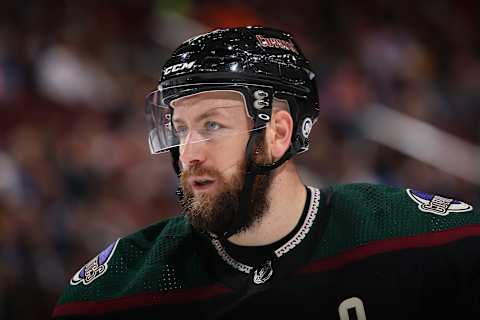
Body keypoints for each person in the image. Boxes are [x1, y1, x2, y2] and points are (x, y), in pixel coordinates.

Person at [52, 26, 480, 319]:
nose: (189, 154)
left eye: (212, 125)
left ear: (278, 132)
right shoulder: (118, 293)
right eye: (181, 129)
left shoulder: (420, 242)